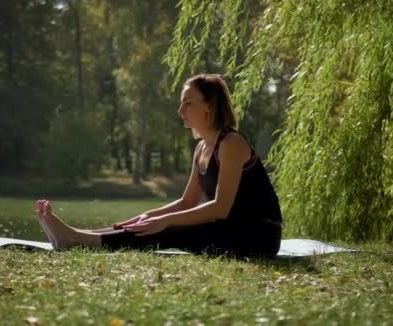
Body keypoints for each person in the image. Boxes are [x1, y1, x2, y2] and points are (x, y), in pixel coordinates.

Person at [35, 73, 283, 258]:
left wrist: (166, 221)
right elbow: (187, 202)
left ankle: (76, 239)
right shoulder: (201, 148)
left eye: (188, 103)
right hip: (229, 230)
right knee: (159, 224)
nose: (180, 110)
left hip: (256, 237)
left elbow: (220, 208)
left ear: (209, 106)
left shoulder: (231, 142)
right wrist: (147, 216)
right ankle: (76, 236)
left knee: (171, 227)